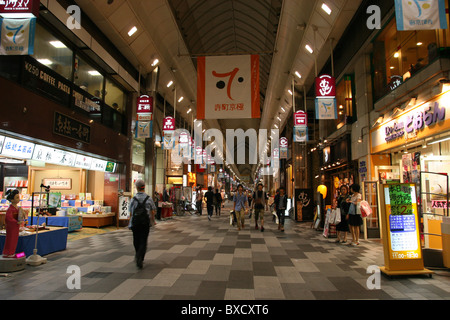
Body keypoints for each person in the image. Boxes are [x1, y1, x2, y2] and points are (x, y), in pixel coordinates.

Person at [128, 179, 156, 269]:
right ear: (144, 187)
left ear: (136, 187)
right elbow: (153, 210)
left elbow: (130, 212)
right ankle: (141, 257)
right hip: (145, 223)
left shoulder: (133, 199)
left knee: (136, 240)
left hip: (135, 223)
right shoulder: (149, 198)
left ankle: (137, 254)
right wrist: (152, 220)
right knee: (143, 240)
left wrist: (130, 222)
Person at [2, 189, 26, 258]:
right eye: (17, 197)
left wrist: (22, 213)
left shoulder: (17, 208)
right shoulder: (10, 209)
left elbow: (20, 215)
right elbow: (8, 218)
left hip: (15, 226)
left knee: (14, 239)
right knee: (11, 239)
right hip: (11, 227)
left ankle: (12, 252)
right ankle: (9, 253)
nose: (19, 199)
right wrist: (16, 222)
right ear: (12, 200)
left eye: (19, 197)